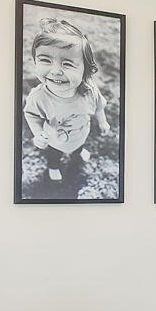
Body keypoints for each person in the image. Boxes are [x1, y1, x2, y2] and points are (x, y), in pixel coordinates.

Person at [22, 18, 109, 198]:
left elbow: (99, 106)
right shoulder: (39, 97)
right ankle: (54, 167)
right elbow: (31, 115)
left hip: (80, 133)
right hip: (55, 140)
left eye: (67, 64)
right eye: (45, 60)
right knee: (54, 155)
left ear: (86, 70)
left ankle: (77, 155)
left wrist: (103, 122)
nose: (55, 71)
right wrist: (38, 133)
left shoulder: (89, 91)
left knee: (78, 148)